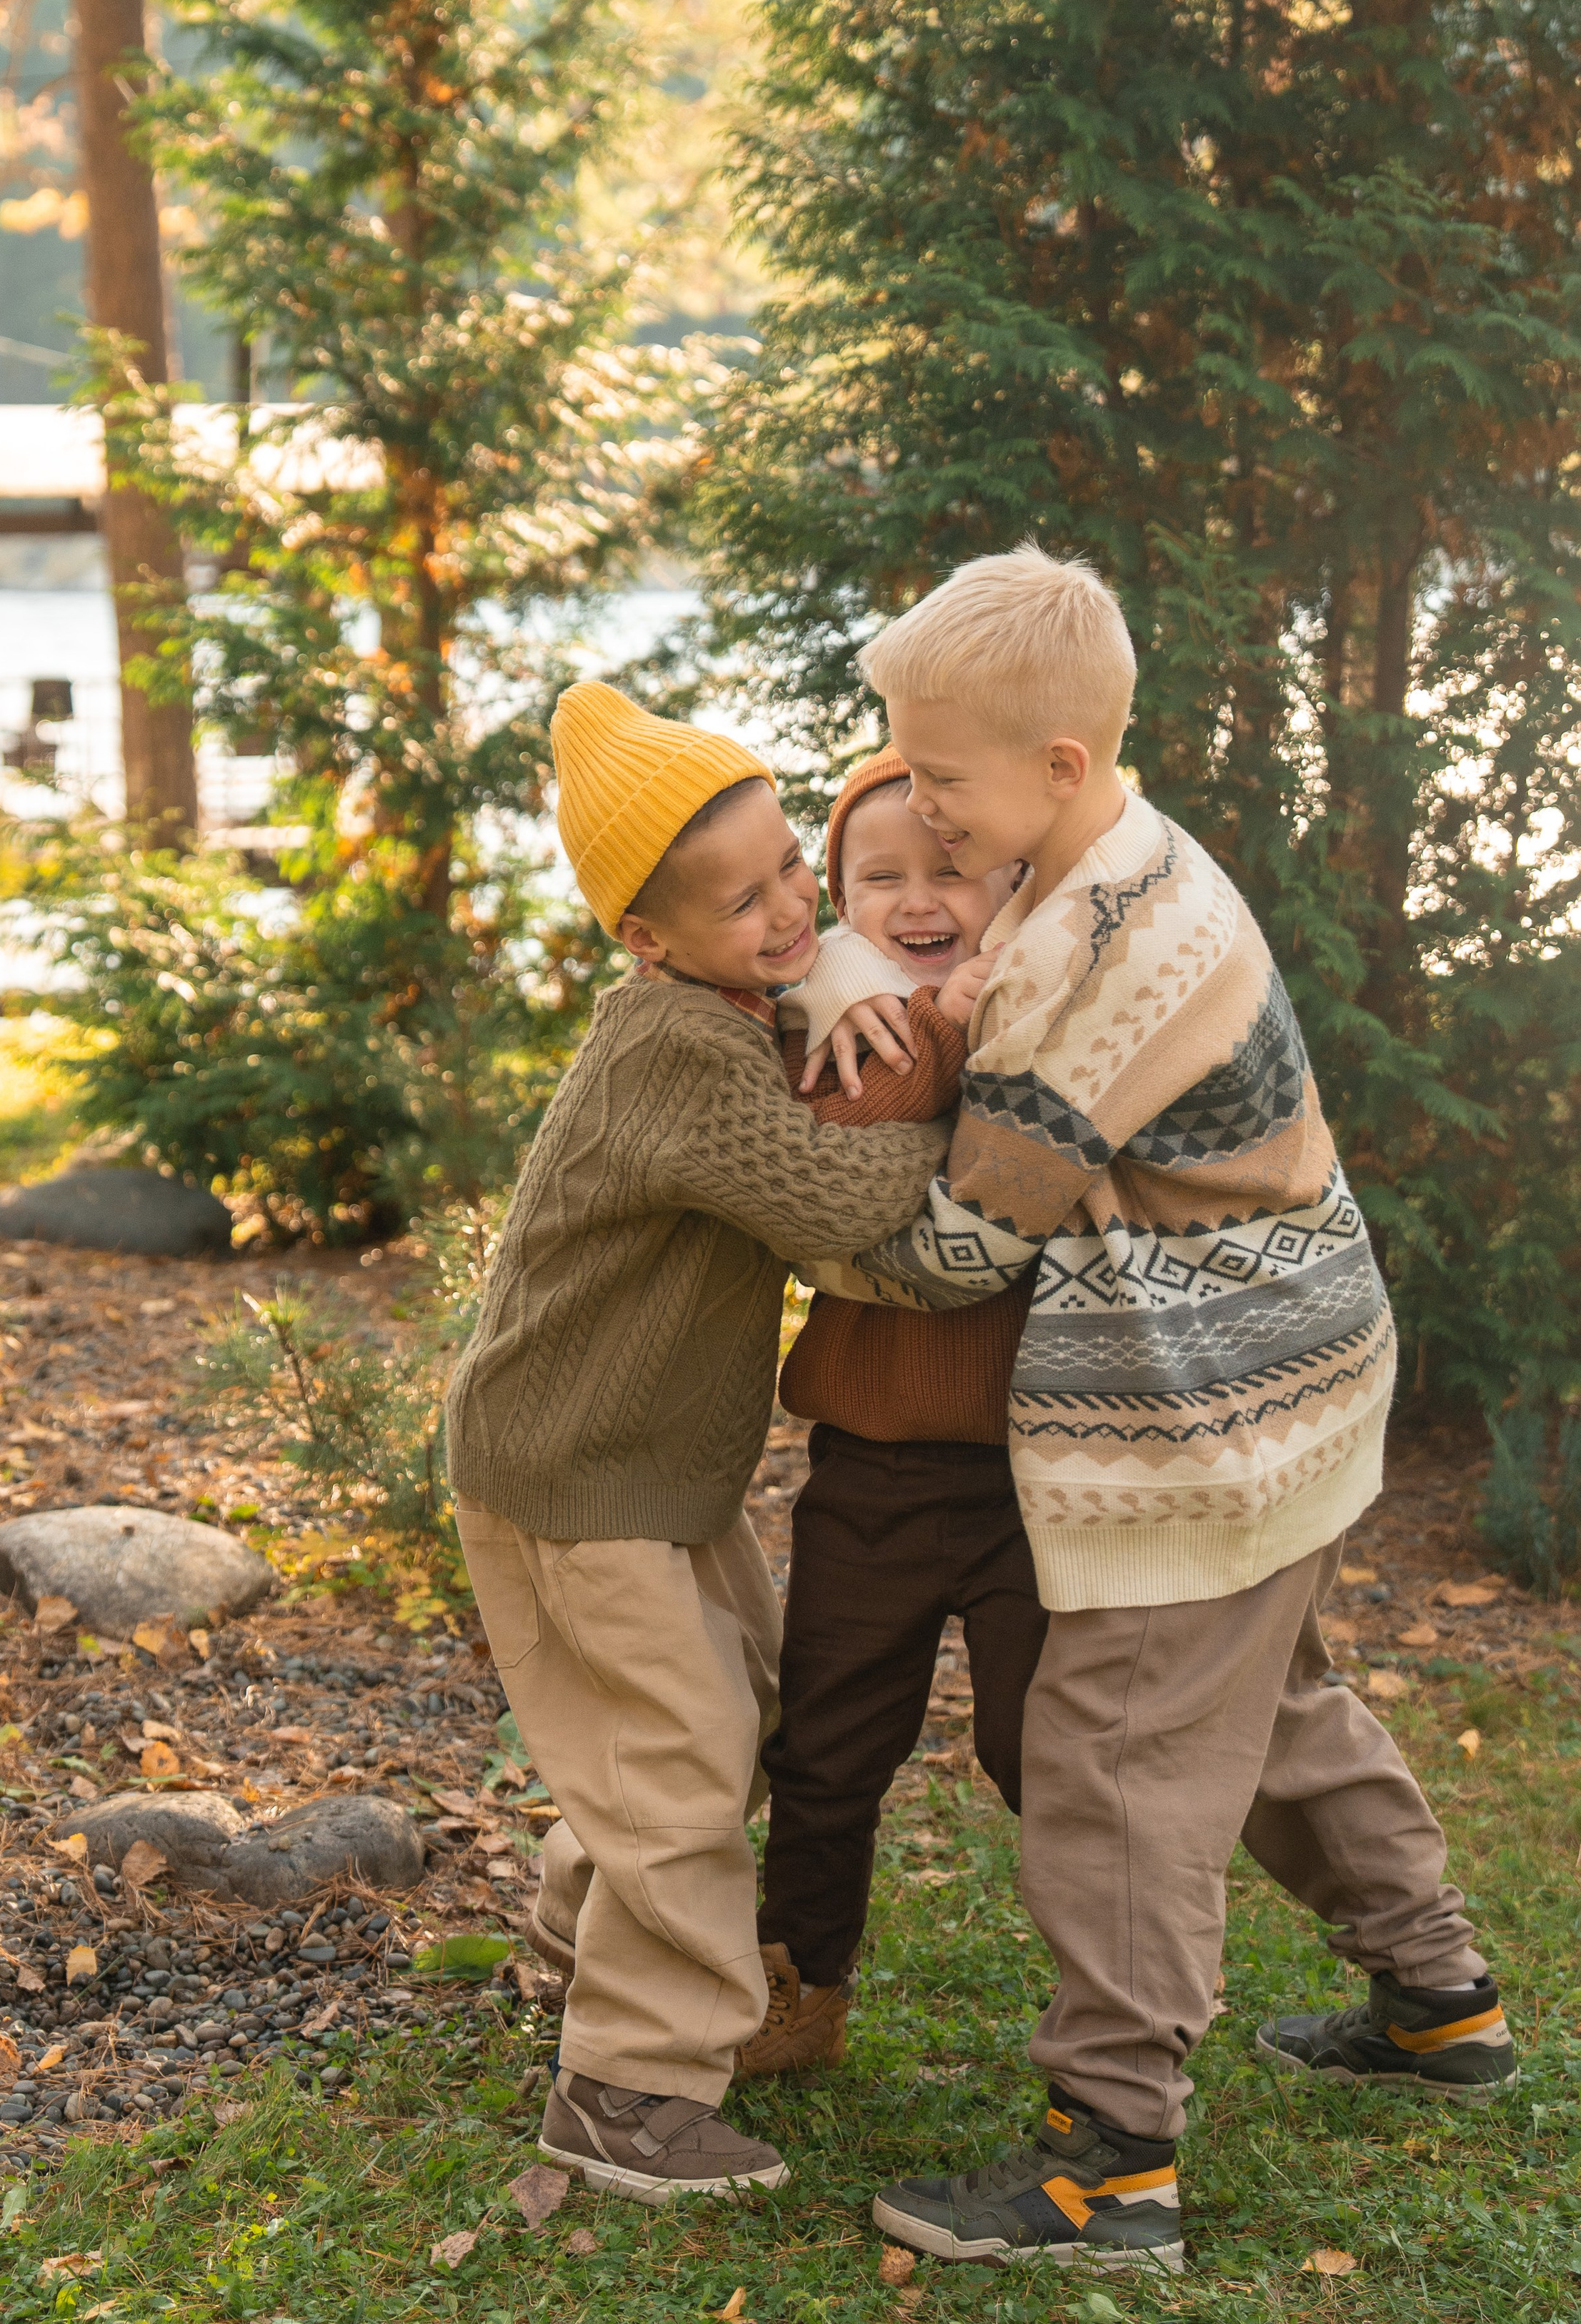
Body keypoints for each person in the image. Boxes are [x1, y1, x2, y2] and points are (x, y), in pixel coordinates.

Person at [802, 548, 1517, 2277]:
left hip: (1202, 1414)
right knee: (1265, 1700)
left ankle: (1108, 2159)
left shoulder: (1079, 952)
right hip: (1303, 1369)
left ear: (1055, 763)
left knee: (1115, 1753)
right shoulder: (1126, 863)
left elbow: (969, 1238)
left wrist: (799, 1211)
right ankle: (1436, 1995)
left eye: (943, 778)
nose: (917, 803)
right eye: (899, 762)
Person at [445, 682, 955, 2204]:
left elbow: (798, 992)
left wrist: (827, 969)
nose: (794, 905)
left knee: (727, 1703)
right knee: (675, 1762)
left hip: (647, 1470)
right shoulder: (673, 1047)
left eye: (796, 865)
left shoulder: (725, 999)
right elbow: (827, 1198)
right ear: (650, 940)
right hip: (573, 1472)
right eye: (747, 900)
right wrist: (977, 1115)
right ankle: (629, 2088)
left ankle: (571, 1929)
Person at [735, 750, 1049, 2076]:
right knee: (830, 1743)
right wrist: (935, 1020)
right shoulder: (826, 1016)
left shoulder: (1051, 999)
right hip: (870, 1466)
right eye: (882, 877)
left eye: (951, 868)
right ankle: (802, 1987)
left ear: (1014, 880)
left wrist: (984, 1017)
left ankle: (1123, 1991)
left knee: (1046, 1748)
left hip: (1042, 1478)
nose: (920, 899)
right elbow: (848, 1113)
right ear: (840, 900)